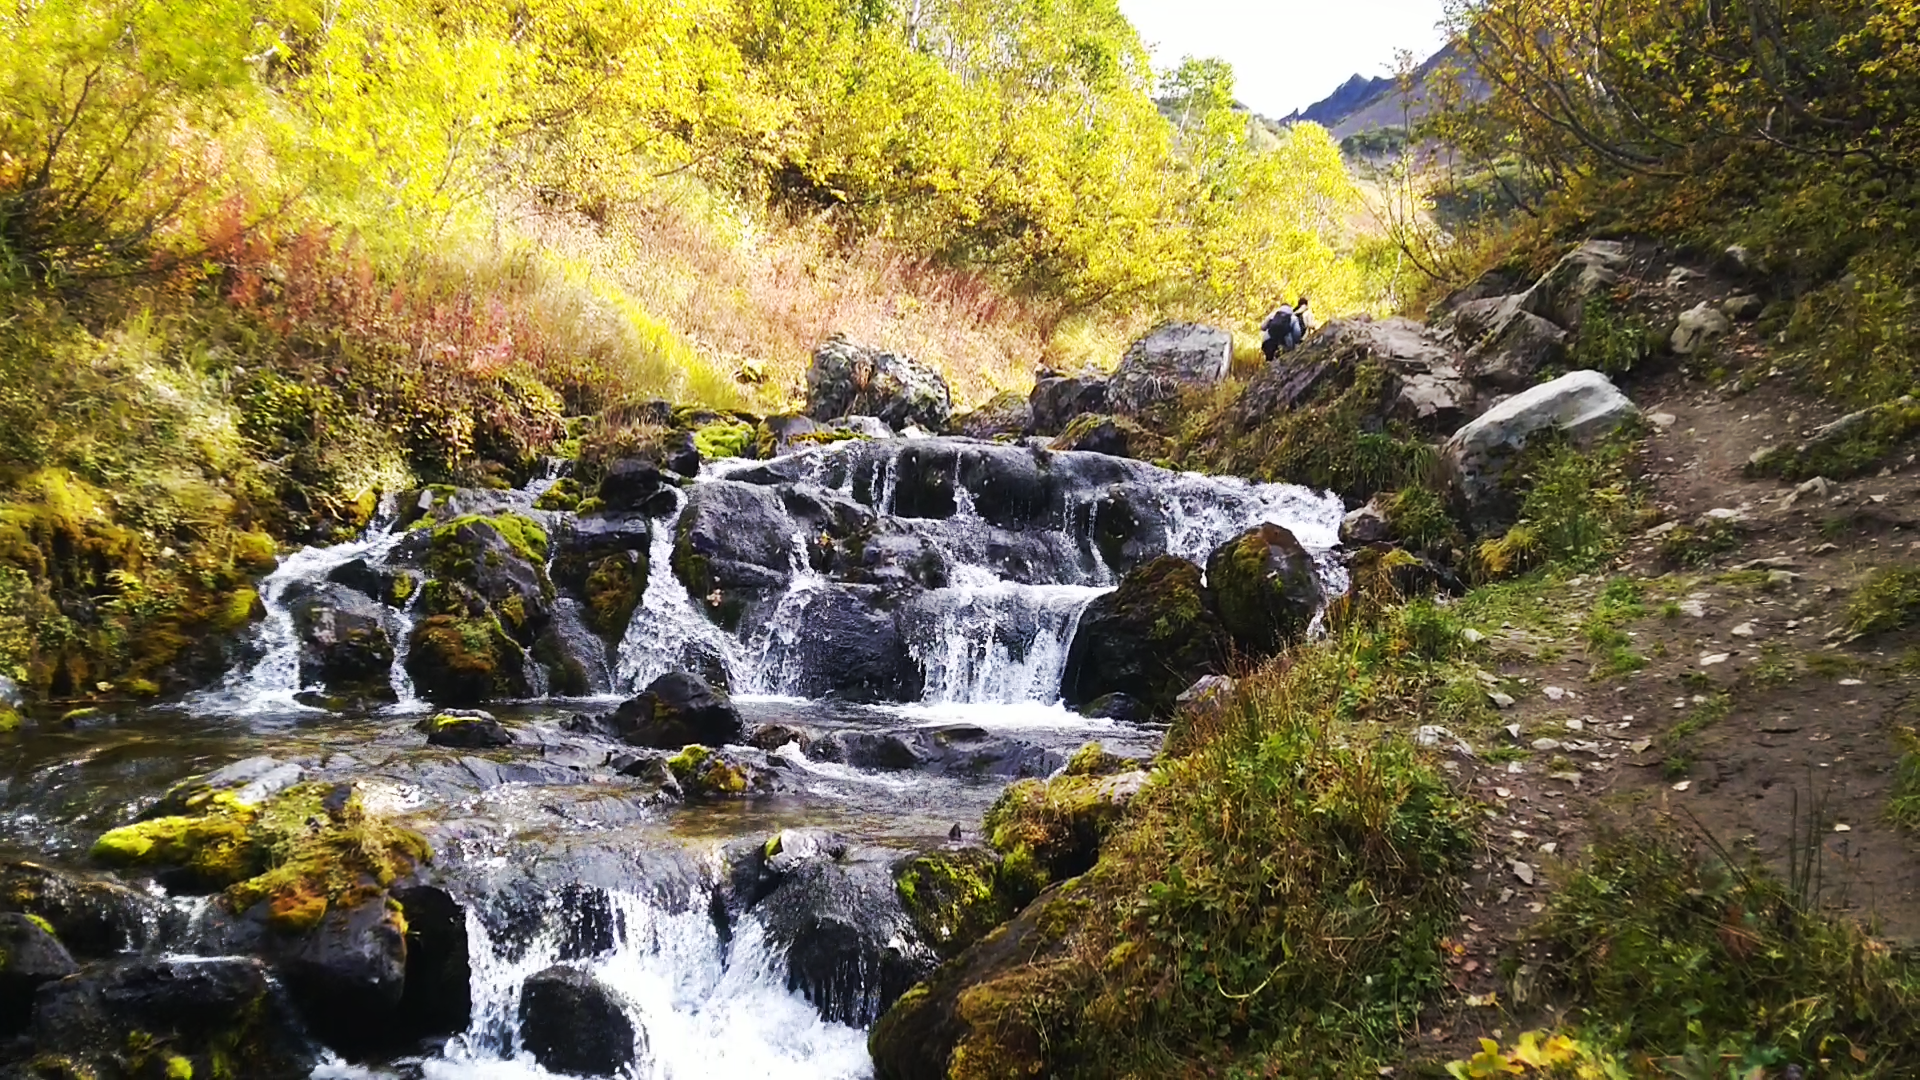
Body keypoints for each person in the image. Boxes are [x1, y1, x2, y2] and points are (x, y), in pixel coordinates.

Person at [1260, 295, 1312, 361]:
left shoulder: (1273, 315)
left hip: (1268, 340)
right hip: (1285, 343)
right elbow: (1297, 334)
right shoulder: (1293, 318)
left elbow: (1262, 327)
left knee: (1269, 360)